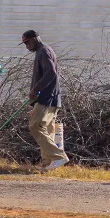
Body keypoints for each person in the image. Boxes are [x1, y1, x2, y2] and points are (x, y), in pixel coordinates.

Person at [21, 30, 69, 171]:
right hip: (51, 98)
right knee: (46, 129)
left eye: (27, 42)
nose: (27, 46)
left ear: (35, 39)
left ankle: (58, 156)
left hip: (47, 98)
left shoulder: (43, 51)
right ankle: (47, 163)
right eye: (25, 43)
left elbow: (51, 73)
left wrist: (35, 90)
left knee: (35, 126)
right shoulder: (43, 51)